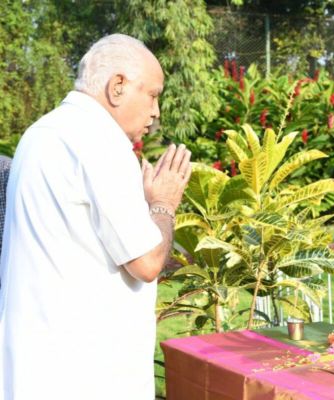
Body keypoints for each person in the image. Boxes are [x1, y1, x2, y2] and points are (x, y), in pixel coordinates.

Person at [0, 34, 191, 400]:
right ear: (118, 86)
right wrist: (163, 203)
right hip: (85, 372)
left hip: (39, 362)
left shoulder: (44, 132)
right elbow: (147, 262)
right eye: (152, 94)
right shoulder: (100, 141)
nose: (156, 112)